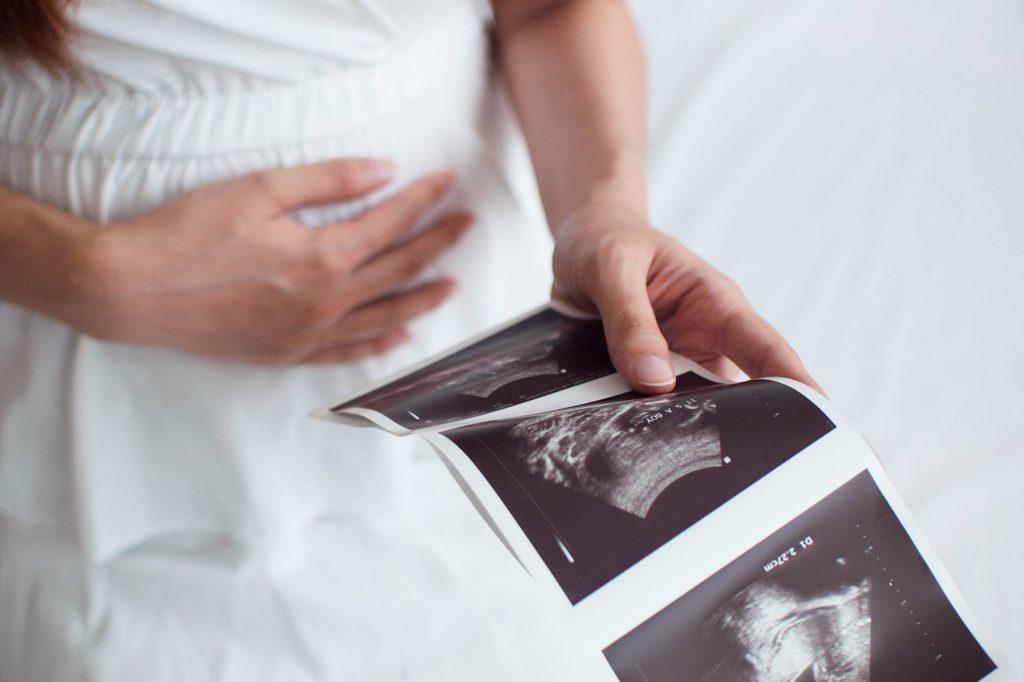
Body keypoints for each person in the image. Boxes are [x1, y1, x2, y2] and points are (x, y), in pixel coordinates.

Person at [0, 0, 819, 679]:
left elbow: (550, 9)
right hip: (105, 426)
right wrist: (84, 275)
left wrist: (602, 207)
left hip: (473, 348)